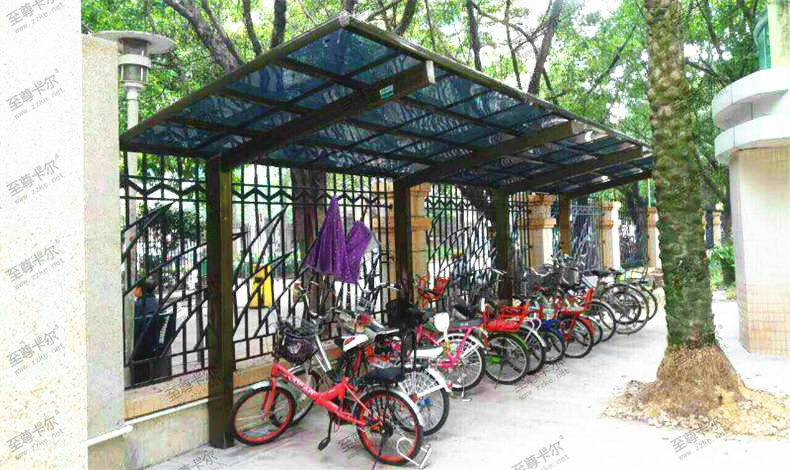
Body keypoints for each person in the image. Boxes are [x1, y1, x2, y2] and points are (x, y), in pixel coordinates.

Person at [131, 280, 174, 385]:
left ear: (139, 289)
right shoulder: (157, 303)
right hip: (157, 343)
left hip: (141, 346)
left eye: (134, 288)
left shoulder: (137, 305)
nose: (133, 290)